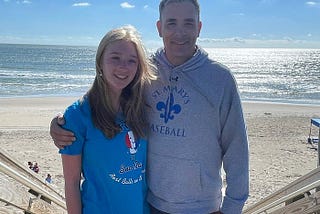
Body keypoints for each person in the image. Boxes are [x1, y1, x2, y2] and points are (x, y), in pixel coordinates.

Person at [50, 0, 249, 213]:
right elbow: (105, 95)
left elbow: (236, 149)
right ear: (159, 28)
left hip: (201, 207)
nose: (179, 32)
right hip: (151, 204)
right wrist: (60, 123)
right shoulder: (145, 72)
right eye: (171, 23)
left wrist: (232, 207)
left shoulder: (220, 79)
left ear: (199, 28)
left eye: (188, 23)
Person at [58, 25, 155, 213]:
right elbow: (71, 183)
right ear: (100, 61)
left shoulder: (140, 109)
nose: (123, 67)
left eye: (132, 61)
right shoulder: (78, 115)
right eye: (115, 58)